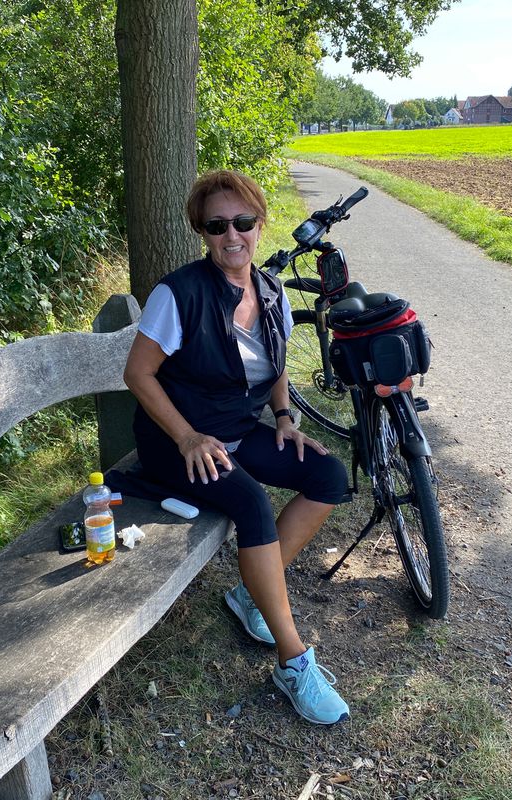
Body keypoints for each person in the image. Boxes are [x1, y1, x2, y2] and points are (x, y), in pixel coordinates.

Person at [123, 169, 350, 725]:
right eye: (217, 225)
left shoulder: (271, 292)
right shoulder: (177, 294)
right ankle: (293, 661)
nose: (232, 235)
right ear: (202, 232)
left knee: (328, 476)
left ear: (259, 224)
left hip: (239, 431)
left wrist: (283, 417)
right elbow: (138, 373)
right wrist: (186, 435)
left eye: (243, 222)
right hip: (179, 444)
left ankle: (252, 595)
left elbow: (276, 362)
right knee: (251, 503)